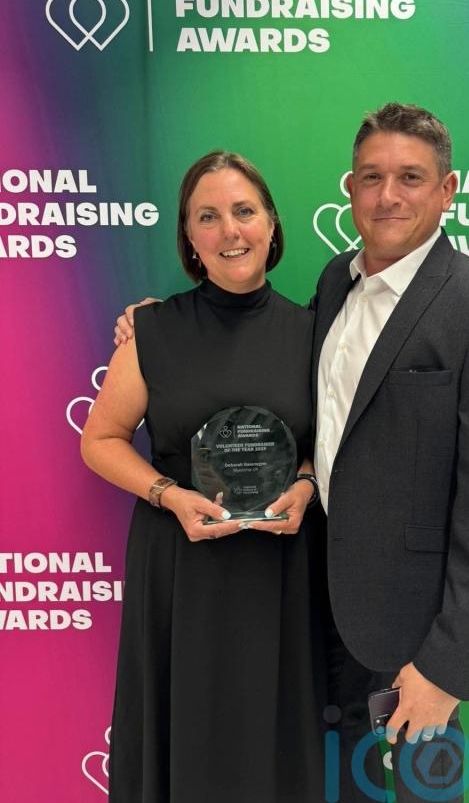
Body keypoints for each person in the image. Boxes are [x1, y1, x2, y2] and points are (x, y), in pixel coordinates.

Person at [115, 103, 469, 803]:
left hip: (410, 650)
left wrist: (447, 668)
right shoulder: (332, 285)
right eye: (371, 177)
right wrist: (155, 327)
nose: (388, 195)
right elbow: (318, 427)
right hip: (309, 624)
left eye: (411, 177)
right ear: (349, 188)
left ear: (447, 189)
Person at [82, 151, 328, 803]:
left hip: (281, 567)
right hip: (180, 564)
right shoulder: (152, 330)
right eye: (208, 216)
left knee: (277, 740)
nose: (229, 230)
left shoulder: (315, 333)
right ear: (188, 237)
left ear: (272, 224)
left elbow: (329, 446)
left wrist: (306, 485)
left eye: (244, 211)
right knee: (182, 733)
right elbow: (100, 440)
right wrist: (168, 495)